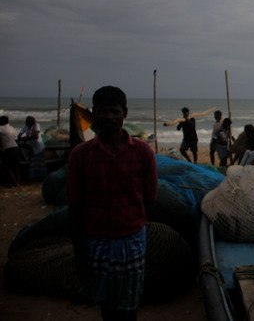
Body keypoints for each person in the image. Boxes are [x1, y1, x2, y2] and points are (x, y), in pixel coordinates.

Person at [66, 86, 158, 321]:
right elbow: (75, 209)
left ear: (125, 113)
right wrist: (80, 257)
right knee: (106, 308)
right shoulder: (80, 155)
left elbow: (149, 200)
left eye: (114, 111)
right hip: (96, 243)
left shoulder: (143, 153)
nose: (109, 117)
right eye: (103, 111)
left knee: (129, 309)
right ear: (93, 114)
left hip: (133, 241)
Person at [17, 116, 47, 180]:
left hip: (39, 146)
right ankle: (33, 177)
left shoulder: (36, 125)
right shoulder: (25, 126)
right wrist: (21, 138)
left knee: (40, 163)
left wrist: (26, 137)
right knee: (33, 163)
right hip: (32, 147)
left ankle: (41, 177)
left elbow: (36, 134)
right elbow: (19, 135)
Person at [0, 116, 20, 187]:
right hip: (16, 147)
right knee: (16, 166)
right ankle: (18, 181)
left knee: (7, 167)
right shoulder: (12, 128)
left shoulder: (1, 128)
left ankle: (15, 183)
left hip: (8, 149)